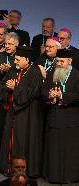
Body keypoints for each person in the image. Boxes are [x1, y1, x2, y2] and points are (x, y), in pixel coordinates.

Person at [0, 46, 43, 177]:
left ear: (27, 60)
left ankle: (21, 170)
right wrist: (7, 88)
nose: (14, 62)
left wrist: (15, 88)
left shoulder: (35, 73)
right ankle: (8, 168)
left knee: (22, 141)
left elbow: (28, 95)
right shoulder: (14, 71)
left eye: (17, 59)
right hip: (13, 113)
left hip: (27, 114)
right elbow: (1, 85)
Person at [42, 49, 79, 183]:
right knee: (54, 149)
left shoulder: (76, 75)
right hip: (54, 117)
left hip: (70, 119)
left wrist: (63, 96)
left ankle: (69, 177)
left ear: (70, 61)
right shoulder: (52, 72)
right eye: (57, 61)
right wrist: (49, 95)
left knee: (69, 150)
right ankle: (54, 176)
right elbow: (43, 90)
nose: (59, 63)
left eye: (62, 61)